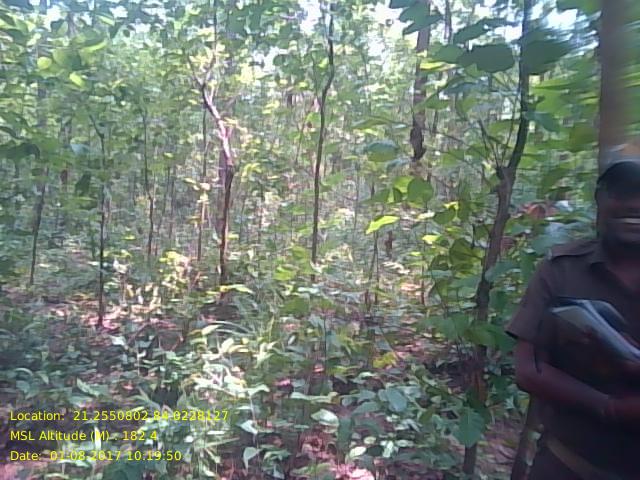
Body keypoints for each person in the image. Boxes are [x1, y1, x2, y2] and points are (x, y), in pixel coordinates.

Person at [508, 140, 640, 479]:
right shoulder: (562, 270)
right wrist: (609, 408)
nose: (634, 203)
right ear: (600, 199)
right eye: (622, 192)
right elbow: (528, 369)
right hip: (569, 465)